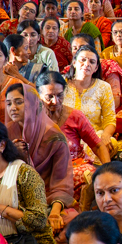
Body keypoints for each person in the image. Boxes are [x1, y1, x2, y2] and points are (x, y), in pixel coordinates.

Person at [5, 83, 74, 233]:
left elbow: (62, 182)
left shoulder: (54, 137)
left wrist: (55, 213)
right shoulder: (7, 133)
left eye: (18, 102)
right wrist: (12, 153)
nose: (13, 108)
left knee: (68, 223)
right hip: (13, 197)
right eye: (9, 103)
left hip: (48, 198)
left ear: (33, 104)